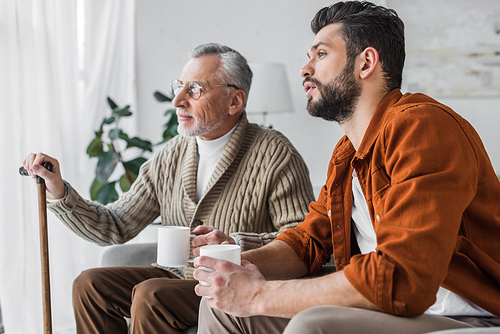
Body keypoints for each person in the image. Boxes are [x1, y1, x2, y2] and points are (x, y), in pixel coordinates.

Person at [193, 3, 500, 334]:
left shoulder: (423, 127)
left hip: (463, 313)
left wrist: (258, 295)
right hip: (394, 308)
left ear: (366, 63)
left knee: (314, 324)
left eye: (321, 54)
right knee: (222, 308)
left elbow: (403, 276)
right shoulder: (347, 154)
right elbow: (307, 242)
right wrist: (240, 264)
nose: (305, 69)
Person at [22, 43, 315, 334]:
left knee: (152, 295)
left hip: (230, 281)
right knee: (90, 285)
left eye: (195, 89)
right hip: (176, 277)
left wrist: (234, 244)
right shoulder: (171, 154)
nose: (177, 100)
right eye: (179, 86)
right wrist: (58, 190)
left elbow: (306, 242)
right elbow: (114, 225)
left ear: (234, 101)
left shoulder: (276, 154)